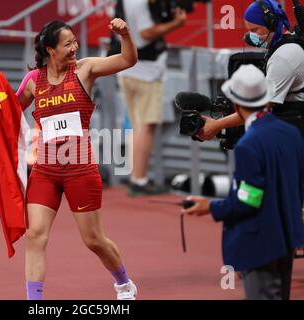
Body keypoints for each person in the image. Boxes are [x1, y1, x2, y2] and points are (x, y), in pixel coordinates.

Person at [0, 18, 138, 300]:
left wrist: (125, 34)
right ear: (51, 50)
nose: (75, 47)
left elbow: (128, 60)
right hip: (45, 172)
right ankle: (35, 301)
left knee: (93, 240)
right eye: (68, 44)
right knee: (36, 236)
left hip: (80, 170)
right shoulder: (33, 81)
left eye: (75, 42)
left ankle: (124, 284)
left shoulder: (85, 69)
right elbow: (10, 113)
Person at [183, 64, 304, 300]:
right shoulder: (291, 134)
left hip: (260, 241)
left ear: (236, 105)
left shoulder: (249, 145)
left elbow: (248, 200)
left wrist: (210, 206)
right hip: (287, 237)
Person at [198, 0, 304, 140]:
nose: (251, 35)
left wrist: (216, 125)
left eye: (255, 30)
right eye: (249, 30)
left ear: (272, 24)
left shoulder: (283, 57)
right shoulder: (287, 44)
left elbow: (258, 108)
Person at [115, 0, 186, 196]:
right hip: (145, 71)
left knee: (137, 124)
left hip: (126, 68)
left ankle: (134, 176)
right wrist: (176, 24)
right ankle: (139, 179)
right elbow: (146, 34)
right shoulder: (140, 4)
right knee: (145, 126)